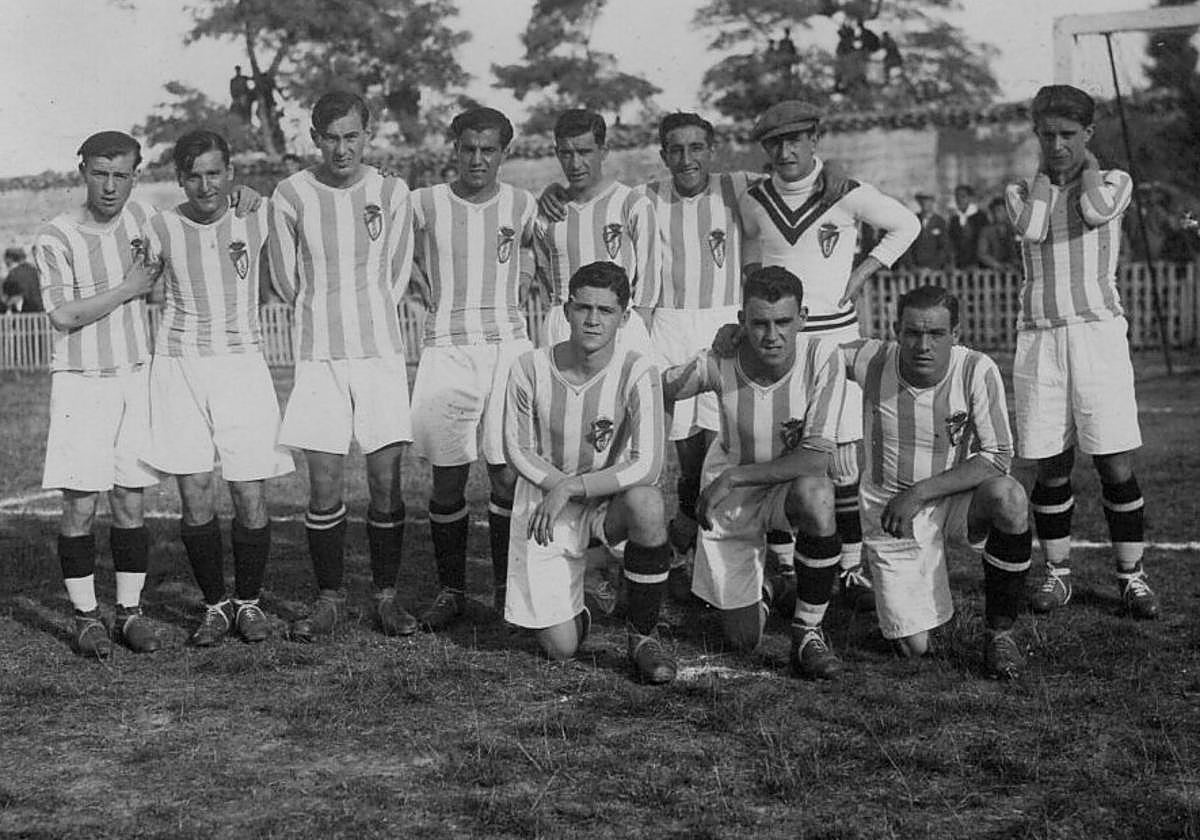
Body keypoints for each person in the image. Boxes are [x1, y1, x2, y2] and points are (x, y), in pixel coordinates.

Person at [740, 100, 919, 612]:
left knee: (840, 459)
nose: (785, 150)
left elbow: (907, 225)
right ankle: (783, 564)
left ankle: (849, 566)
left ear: (815, 139)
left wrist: (863, 272)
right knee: (779, 452)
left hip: (836, 340)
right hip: (779, 345)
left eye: (795, 139)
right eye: (774, 143)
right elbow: (754, 263)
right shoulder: (754, 199)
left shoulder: (844, 192)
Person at [268, 91, 419, 641]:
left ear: (367, 135)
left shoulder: (391, 192)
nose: (341, 148)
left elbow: (397, 274)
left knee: (386, 483)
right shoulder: (290, 195)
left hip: (379, 354)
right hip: (319, 357)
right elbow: (286, 281)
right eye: (330, 137)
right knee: (324, 486)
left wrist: (367, 312)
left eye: (351, 136)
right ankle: (329, 597)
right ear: (314, 138)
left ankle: (386, 597)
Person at [1005, 84, 1159, 619]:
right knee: (1050, 463)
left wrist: (1087, 167)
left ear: (1088, 134)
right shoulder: (1022, 190)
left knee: (1114, 461)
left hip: (1096, 333)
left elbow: (1094, 211)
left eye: (1069, 135)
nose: (1057, 145)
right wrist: (1048, 180)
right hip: (1041, 336)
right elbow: (1033, 227)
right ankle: (1058, 573)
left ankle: (1132, 577)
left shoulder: (1115, 181)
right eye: (1047, 135)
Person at [143, 129, 295, 646]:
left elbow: (312, 202)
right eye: (193, 175)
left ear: (230, 173)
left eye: (214, 173)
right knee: (194, 493)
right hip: (178, 365)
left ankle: (249, 603)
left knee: (250, 491)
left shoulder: (257, 212)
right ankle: (214, 606)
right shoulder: (160, 226)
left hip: (242, 362)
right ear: (179, 179)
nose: (205, 185)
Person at [662, 267, 846, 679]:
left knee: (818, 495)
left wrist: (731, 478)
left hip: (779, 486)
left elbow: (815, 459)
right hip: (733, 503)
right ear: (742, 319)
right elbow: (662, 386)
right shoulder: (720, 361)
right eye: (759, 323)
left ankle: (808, 632)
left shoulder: (821, 357)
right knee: (742, 640)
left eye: (783, 322)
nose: (772, 335)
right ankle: (770, 586)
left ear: (803, 317)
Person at [844, 285, 1032, 678]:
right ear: (896, 330)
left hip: (950, 499)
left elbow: (998, 457)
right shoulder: (870, 359)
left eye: (936, 334)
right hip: (891, 510)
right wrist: (738, 338)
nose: (923, 345)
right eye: (913, 332)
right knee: (915, 650)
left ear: (956, 334)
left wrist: (921, 492)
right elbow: (805, 354)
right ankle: (905, 600)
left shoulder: (976, 368)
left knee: (1010, 498)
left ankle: (1000, 634)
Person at [503, 261, 675, 684]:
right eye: (583, 308)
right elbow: (517, 451)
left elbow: (648, 462)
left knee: (648, 504)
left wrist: (576, 487)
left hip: (604, 504)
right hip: (547, 505)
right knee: (560, 648)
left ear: (624, 316)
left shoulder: (638, 370)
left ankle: (642, 636)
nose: (593, 320)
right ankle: (592, 574)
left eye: (606, 310)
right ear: (566, 310)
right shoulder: (529, 367)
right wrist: (560, 488)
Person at [33, 131, 165, 658]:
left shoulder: (145, 220)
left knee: (130, 499)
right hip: (81, 381)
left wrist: (244, 196)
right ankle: (87, 618)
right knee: (80, 505)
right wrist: (129, 290)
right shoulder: (55, 236)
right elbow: (64, 314)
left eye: (122, 175)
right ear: (82, 170)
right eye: (101, 173)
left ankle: (130, 613)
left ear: (136, 175)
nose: (111, 186)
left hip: (135, 373)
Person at [408, 107, 537, 630]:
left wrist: (526, 275)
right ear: (453, 150)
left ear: (504, 153)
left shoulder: (524, 205)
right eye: (468, 148)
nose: (478, 159)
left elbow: (539, 252)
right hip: (447, 349)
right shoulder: (425, 203)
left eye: (489, 150)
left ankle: (508, 590)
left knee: (506, 475)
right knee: (447, 479)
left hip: (507, 348)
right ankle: (451, 590)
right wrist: (419, 284)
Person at [532, 109, 658, 355]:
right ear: (557, 153)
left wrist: (637, 325)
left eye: (584, 152)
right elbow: (544, 272)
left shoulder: (632, 203)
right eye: (566, 153)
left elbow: (649, 274)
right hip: (562, 325)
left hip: (618, 324)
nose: (575, 163)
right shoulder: (547, 212)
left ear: (604, 151)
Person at [903, 192, 952, 270]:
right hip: (915, 270)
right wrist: (912, 267)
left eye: (928, 200)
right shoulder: (913, 220)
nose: (925, 203)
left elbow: (944, 248)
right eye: (922, 200)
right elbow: (907, 246)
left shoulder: (940, 222)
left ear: (933, 202)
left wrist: (932, 267)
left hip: (935, 270)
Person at [948, 185, 988, 269]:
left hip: (978, 266)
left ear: (970, 198)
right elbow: (951, 243)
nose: (959, 200)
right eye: (957, 197)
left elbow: (983, 243)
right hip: (959, 265)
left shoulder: (981, 217)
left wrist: (976, 262)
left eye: (963, 196)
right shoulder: (954, 219)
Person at [976, 196, 1020, 272]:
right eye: (993, 211)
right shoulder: (986, 231)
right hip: (991, 273)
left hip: (1015, 272)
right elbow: (982, 253)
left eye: (999, 210)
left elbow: (1019, 251)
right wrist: (997, 265)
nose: (996, 214)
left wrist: (1014, 264)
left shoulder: (1014, 230)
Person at [2, 248, 43, 312]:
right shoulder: (34, 271)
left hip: (25, 314)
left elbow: (7, 298)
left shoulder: (13, 274)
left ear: (9, 259)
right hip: (42, 312)